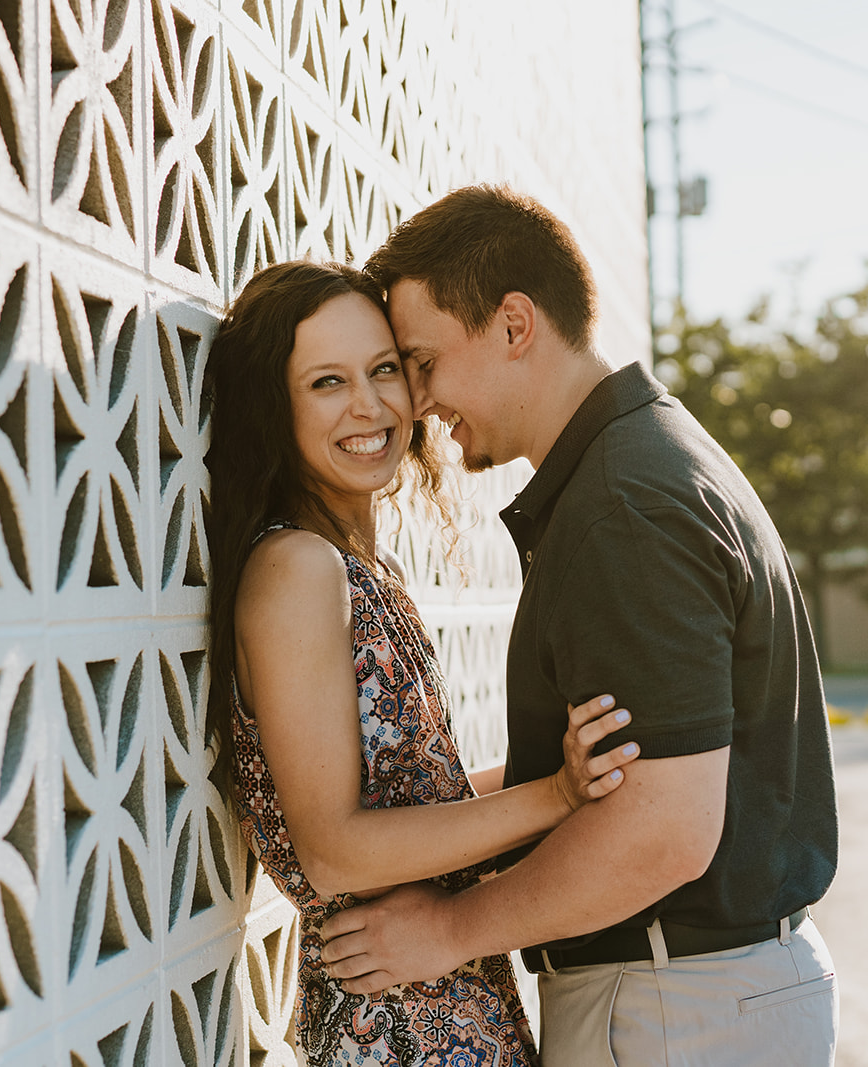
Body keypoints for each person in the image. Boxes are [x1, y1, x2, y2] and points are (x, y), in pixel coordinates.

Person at [318, 186, 840, 1065]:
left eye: (421, 359)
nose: (416, 399)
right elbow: (615, 777)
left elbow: (661, 829)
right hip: (705, 1000)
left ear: (515, 325)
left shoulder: (623, 506)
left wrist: (448, 929)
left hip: (677, 1007)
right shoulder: (642, 462)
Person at [202, 260, 643, 1067]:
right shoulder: (296, 569)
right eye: (327, 382)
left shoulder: (358, 564)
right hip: (396, 1024)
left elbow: (418, 805)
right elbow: (334, 849)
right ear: (276, 409)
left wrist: (557, 774)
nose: (369, 406)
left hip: (446, 1002)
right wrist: (553, 795)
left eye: (384, 370)